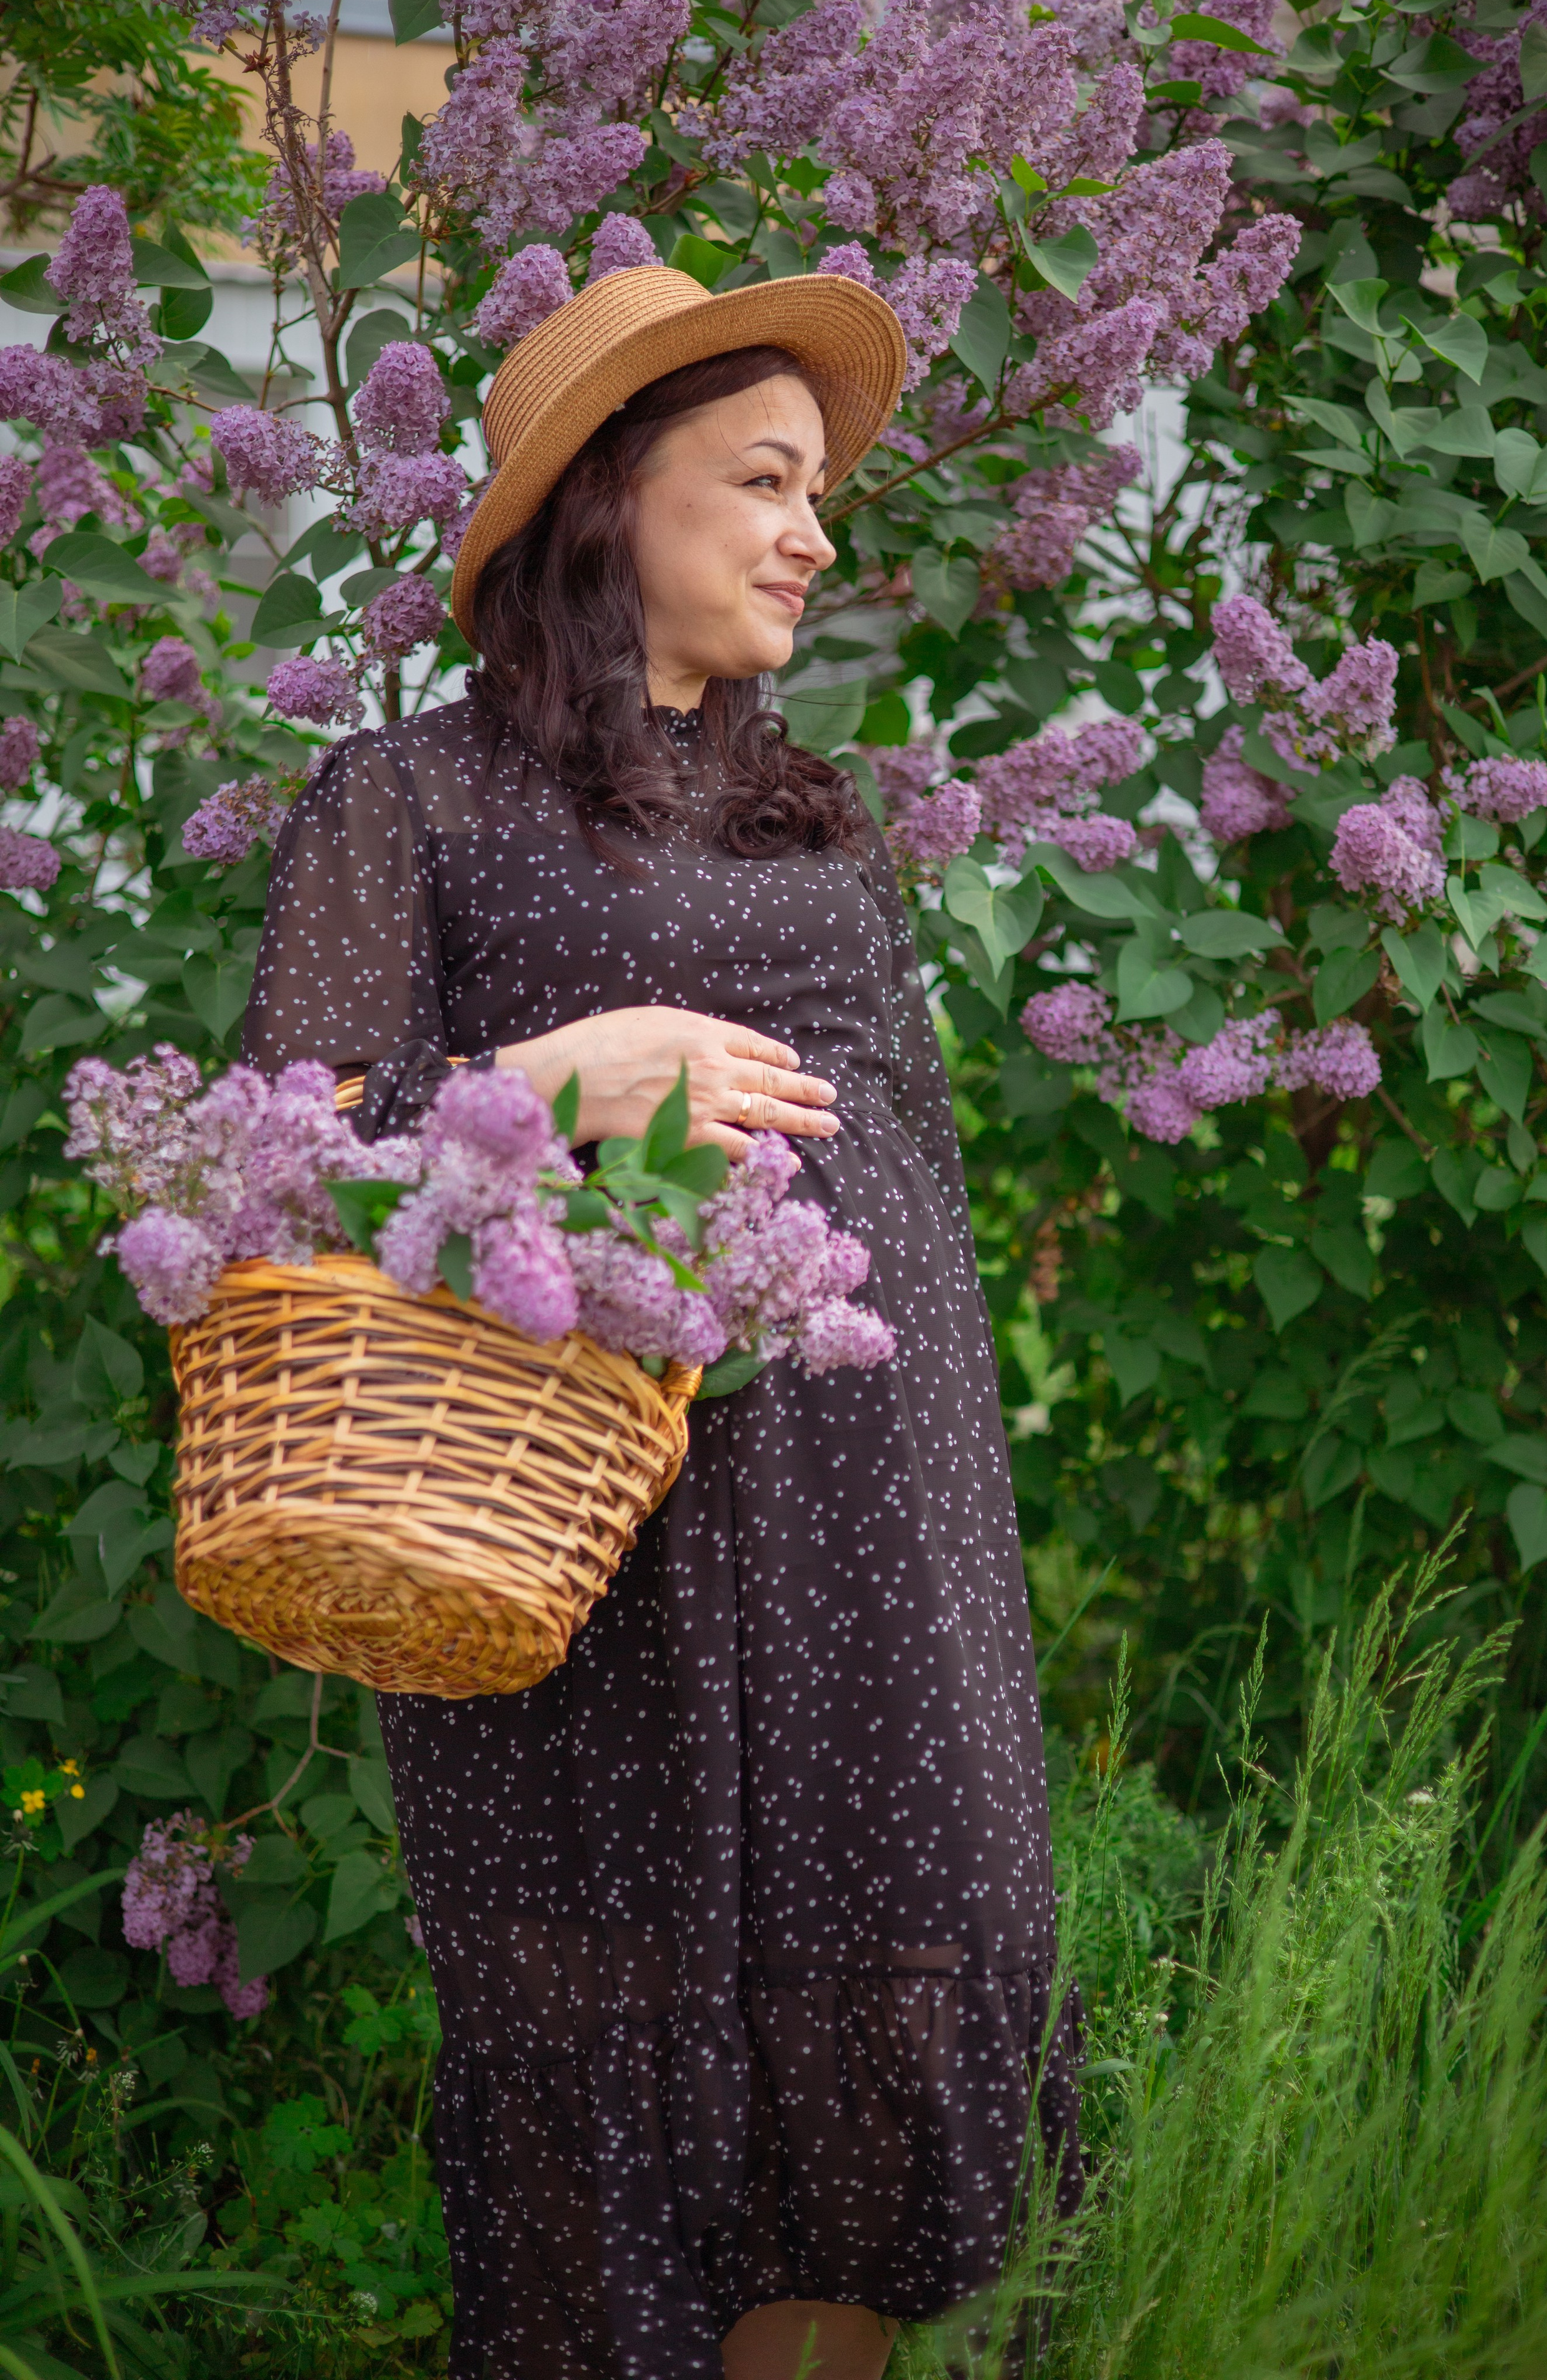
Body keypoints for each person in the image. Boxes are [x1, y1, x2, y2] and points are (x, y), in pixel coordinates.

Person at [242, 263, 1080, 2380]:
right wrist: (543, 1084)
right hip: (583, 1534)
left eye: (822, 490)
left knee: (860, 2113)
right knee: (606, 2109)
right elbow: (267, 1173)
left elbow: (933, 1222)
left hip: (869, 1536)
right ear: (609, 503)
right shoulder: (410, 801)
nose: (819, 531)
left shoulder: (835, 825)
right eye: (766, 480)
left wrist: (955, 1562)